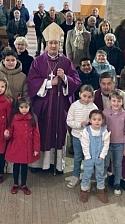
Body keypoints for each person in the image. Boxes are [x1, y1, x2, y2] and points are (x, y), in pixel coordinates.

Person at [27, 23, 81, 173]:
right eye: (50, 42)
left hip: (59, 105)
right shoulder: (37, 61)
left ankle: (56, 165)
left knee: (58, 132)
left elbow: (76, 81)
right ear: (46, 44)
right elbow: (31, 82)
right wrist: (51, 82)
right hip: (42, 105)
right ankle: (38, 164)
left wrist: (64, 79)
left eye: (55, 43)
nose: (53, 45)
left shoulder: (66, 62)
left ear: (59, 44)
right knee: (41, 131)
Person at [4, 97, 41, 195]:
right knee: (16, 166)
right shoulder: (14, 118)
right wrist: (7, 134)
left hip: (27, 147)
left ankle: (24, 184)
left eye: (26, 107)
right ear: (18, 108)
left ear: (30, 107)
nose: (24, 109)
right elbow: (10, 130)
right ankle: (15, 183)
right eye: (21, 107)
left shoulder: (33, 118)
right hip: (16, 146)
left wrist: (36, 148)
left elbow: (36, 134)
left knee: (24, 167)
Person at [66, 85, 97, 189]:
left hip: (89, 138)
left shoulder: (93, 107)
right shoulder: (74, 106)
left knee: (88, 158)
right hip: (77, 136)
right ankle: (75, 176)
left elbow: (98, 120)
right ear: (80, 94)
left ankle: (86, 177)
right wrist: (80, 124)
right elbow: (69, 121)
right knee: (78, 157)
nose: (86, 99)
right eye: (84, 96)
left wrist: (91, 123)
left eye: (89, 97)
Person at [103, 90, 125, 197]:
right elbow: (102, 129)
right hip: (107, 144)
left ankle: (117, 184)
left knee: (118, 165)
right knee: (105, 164)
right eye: (114, 101)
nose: (116, 103)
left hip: (119, 144)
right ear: (109, 101)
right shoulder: (105, 113)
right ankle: (102, 184)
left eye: (119, 101)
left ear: (122, 102)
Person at [79, 109, 110, 204]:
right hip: (89, 157)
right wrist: (87, 156)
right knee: (86, 174)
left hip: (100, 158)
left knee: (100, 174)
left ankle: (101, 191)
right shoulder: (86, 131)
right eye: (94, 119)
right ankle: (84, 191)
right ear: (90, 120)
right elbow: (84, 144)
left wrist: (102, 156)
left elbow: (106, 144)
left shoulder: (104, 131)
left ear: (103, 121)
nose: (97, 121)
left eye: (99, 119)